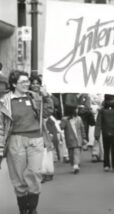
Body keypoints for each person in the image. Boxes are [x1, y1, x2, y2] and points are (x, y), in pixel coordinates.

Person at [0, 70, 53, 214]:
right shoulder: (5, 101)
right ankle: (24, 210)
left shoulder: (34, 96)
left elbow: (47, 112)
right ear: (13, 84)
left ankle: (33, 208)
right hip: (15, 140)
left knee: (35, 173)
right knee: (19, 178)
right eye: (22, 82)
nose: (26, 84)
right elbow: (1, 126)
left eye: (27, 81)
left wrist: (46, 96)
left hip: (36, 140)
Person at [94, 94, 114, 172]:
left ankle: (107, 165)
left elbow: (98, 123)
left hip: (105, 131)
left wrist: (97, 134)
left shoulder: (101, 111)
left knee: (106, 149)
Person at [60, 106, 88, 174]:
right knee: (71, 154)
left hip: (78, 139)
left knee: (76, 152)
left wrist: (84, 137)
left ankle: (76, 165)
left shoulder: (79, 118)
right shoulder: (66, 119)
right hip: (69, 140)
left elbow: (82, 128)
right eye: (76, 109)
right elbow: (61, 127)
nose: (77, 110)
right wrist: (63, 120)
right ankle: (73, 164)